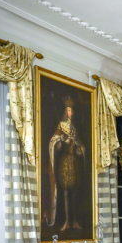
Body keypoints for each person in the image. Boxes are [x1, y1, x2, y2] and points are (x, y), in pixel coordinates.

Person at [45, 96, 85, 231]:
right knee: (66, 192)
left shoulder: (74, 128)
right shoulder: (61, 126)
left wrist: (79, 147)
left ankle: (74, 221)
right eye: (68, 111)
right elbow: (54, 145)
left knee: (75, 192)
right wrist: (61, 141)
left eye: (72, 111)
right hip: (65, 162)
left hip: (74, 163)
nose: (71, 113)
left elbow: (80, 149)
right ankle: (66, 221)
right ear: (65, 112)